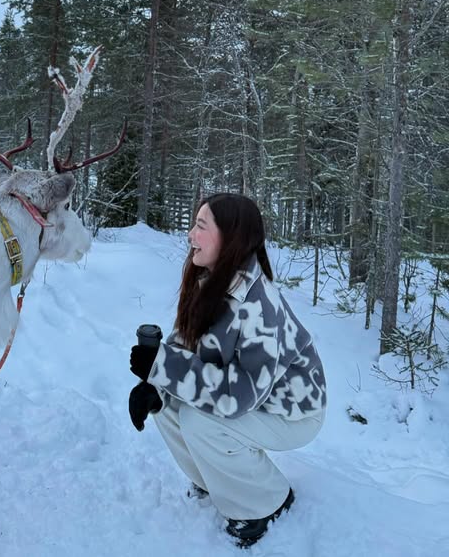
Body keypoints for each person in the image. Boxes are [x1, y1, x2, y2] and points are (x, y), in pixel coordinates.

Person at [128, 193, 326, 549]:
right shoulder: (213, 280)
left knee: (200, 419)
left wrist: (164, 368)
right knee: (168, 404)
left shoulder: (258, 303)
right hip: (256, 400)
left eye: (201, 227)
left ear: (230, 238)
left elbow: (241, 395)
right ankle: (215, 480)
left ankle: (265, 502)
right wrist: (156, 384)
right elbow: (187, 343)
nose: (190, 235)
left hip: (293, 412)